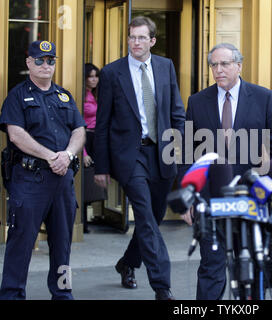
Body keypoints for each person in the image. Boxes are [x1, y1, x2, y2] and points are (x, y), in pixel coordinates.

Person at [180, 43, 272, 300]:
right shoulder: (197, 102)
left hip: (253, 199)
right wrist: (187, 197)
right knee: (211, 267)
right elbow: (186, 154)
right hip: (211, 200)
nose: (218, 70)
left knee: (251, 266)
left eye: (225, 64)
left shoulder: (263, 98)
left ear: (239, 65)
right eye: (214, 65)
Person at [93, 16, 185, 300]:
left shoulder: (165, 66)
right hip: (130, 156)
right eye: (132, 37)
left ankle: (128, 263)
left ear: (152, 41)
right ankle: (162, 286)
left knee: (152, 219)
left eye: (142, 37)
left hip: (161, 153)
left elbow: (176, 113)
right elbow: (103, 123)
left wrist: (178, 151)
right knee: (144, 216)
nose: (136, 42)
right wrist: (102, 165)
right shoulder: (112, 73)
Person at [0, 40, 86, 300]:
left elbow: (79, 130)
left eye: (50, 60)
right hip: (30, 180)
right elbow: (15, 135)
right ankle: (12, 295)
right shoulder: (18, 95)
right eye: (40, 60)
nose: (46, 65)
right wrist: (52, 157)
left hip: (62, 182)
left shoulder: (64, 96)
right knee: (21, 244)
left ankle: (63, 294)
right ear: (29, 63)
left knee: (62, 246)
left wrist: (68, 155)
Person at [82, 63, 102, 233]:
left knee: (92, 182)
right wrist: (83, 152)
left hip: (97, 139)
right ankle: (81, 221)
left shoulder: (95, 95)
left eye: (96, 76)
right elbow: (77, 127)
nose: (94, 79)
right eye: (90, 76)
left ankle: (86, 218)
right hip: (85, 139)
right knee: (85, 182)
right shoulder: (81, 96)